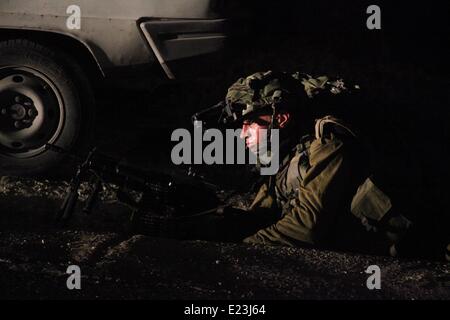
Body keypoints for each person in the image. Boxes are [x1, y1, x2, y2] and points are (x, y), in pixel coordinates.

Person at [213, 71, 415, 256]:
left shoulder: (329, 143)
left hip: (396, 251)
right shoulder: (286, 148)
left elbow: (306, 228)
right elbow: (264, 212)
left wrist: (239, 249)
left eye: (250, 123)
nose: (242, 133)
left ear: (281, 119)